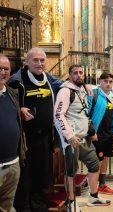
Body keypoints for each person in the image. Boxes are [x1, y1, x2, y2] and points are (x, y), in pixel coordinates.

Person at [8, 47, 63, 211]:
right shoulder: (16, 81)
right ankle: (25, 207)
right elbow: (6, 102)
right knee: (26, 178)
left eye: (42, 60)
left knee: (43, 175)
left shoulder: (49, 79)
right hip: (26, 140)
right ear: (27, 61)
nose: (39, 63)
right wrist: (19, 109)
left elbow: (66, 86)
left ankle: (39, 206)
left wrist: (83, 87)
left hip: (46, 138)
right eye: (35, 60)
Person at [54, 64, 110, 210]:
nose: (79, 75)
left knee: (94, 164)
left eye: (81, 72)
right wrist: (69, 136)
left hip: (85, 137)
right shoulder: (65, 91)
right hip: (72, 140)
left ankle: (93, 196)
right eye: (75, 73)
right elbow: (58, 115)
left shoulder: (83, 88)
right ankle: (70, 202)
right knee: (71, 172)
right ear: (69, 75)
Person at [0, 54, 26, 211]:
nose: (2, 72)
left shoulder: (12, 93)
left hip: (12, 164)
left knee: (8, 204)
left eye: (6, 69)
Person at [87, 72, 113, 195]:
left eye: (110, 81)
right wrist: (91, 132)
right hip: (97, 134)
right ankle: (93, 189)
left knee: (105, 159)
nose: (108, 84)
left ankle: (102, 184)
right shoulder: (93, 95)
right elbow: (86, 114)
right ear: (100, 82)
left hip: (109, 133)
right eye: (105, 81)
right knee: (97, 160)